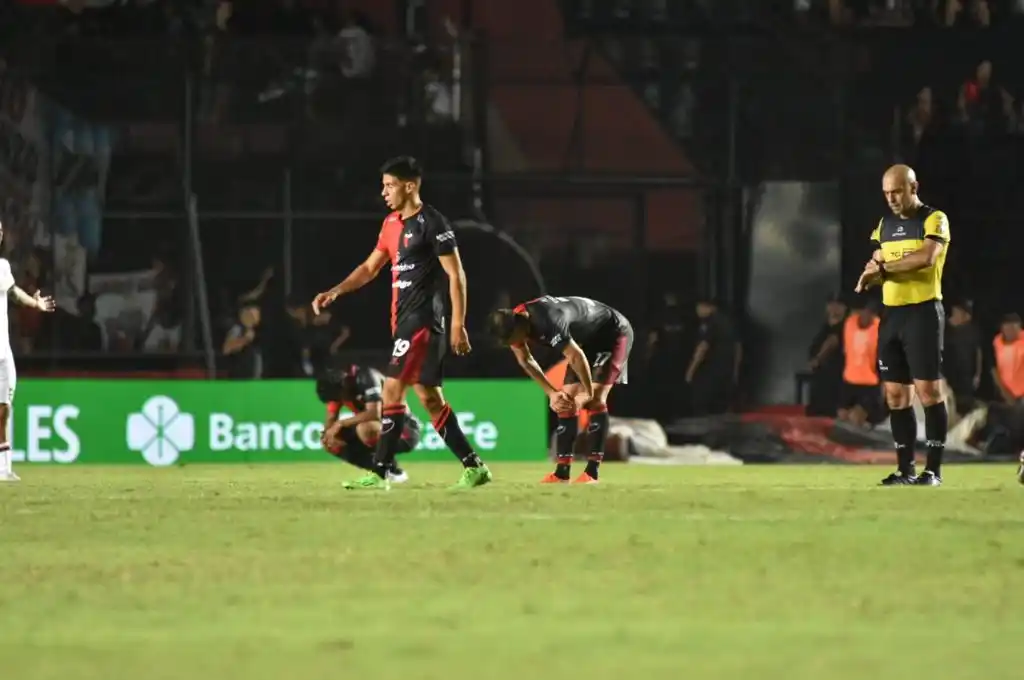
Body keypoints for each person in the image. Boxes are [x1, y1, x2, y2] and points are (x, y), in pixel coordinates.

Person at [311, 156, 492, 490]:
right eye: (383, 186)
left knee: (391, 390)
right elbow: (369, 268)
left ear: (410, 186)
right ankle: (474, 466)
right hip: (404, 322)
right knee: (430, 399)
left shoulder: (433, 223)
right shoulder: (390, 225)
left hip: (422, 321)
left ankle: (380, 471)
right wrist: (336, 291)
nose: (384, 192)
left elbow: (457, 275)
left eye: (390, 185)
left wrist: (458, 324)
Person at [855, 164, 950, 486]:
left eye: (897, 191)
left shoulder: (934, 219)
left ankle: (933, 470)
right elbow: (878, 257)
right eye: (887, 193)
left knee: (929, 391)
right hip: (892, 315)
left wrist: (884, 270)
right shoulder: (884, 224)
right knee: (895, 395)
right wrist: (871, 271)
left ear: (913, 187)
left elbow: (925, 258)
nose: (892, 199)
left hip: (923, 312)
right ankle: (905, 469)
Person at [486, 295, 634, 484]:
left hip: (613, 333)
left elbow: (575, 357)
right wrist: (551, 393)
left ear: (520, 326)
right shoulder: (514, 324)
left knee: (594, 400)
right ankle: (562, 473)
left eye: (512, 339)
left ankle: (592, 473)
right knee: (565, 402)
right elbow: (526, 360)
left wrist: (587, 391)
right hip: (586, 341)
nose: (514, 344)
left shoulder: (549, 320)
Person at [0, 219, 57, 482]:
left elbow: (12, 292)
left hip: (3, 351)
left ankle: (3, 468)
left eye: (0, 229)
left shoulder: (2, 267)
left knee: (4, 406)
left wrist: (34, 304)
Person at [316, 364, 418, 483]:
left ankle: (389, 468)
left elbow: (375, 413)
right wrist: (329, 436)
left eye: (337, 398)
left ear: (342, 387)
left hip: (403, 431)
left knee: (366, 428)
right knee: (329, 441)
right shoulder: (339, 392)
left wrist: (341, 423)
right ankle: (384, 473)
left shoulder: (367, 377)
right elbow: (331, 421)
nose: (339, 401)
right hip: (379, 429)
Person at [685, 298, 741, 416]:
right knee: (722, 407)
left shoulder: (710, 323)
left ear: (708, 307)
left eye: (699, 307)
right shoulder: (729, 322)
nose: (697, 311)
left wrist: (691, 371)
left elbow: (702, 348)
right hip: (726, 369)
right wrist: (736, 369)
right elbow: (738, 347)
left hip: (710, 370)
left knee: (702, 405)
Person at [837, 300, 884, 427]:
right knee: (842, 416)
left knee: (856, 417)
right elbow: (845, 349)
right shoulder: (850, 323)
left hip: (869, 383)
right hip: (849, 380)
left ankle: (866, 421)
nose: (862, 316)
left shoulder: (879, 328)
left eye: (868, 313)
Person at [806, 294, 848, 417]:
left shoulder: (844, 327)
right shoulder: (825, 326)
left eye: (838, 304)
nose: (834, 308)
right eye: (831, 304)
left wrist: (818, 359)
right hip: (821, 376)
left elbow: (831, 343)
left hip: (836, 375)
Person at [944, 299, 981, 415]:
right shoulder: (946, 330)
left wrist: (978, 374)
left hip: (966, 377)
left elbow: (978, 352)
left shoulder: (973, 331)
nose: (955, 314)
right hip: (950, 375)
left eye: (958, 312)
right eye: (954, 311)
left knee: (965, 404)